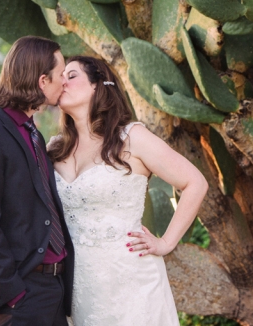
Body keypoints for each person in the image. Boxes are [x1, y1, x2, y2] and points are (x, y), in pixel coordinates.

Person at [49, 56, 208, 325]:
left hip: (132, 284)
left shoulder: (131, 137)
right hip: (79, 285)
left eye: (72, 75)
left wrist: (166, 243)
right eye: (60, 75)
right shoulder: (54, 148)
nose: (62, 80)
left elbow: (195, 183)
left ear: (97, 86)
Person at [0, 36, 74, 325]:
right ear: (42, 80)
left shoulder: (33, 133)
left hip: (54, 290)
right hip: (22, 296)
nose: (65, 82)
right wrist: (13, 294)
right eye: (61, 75)